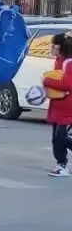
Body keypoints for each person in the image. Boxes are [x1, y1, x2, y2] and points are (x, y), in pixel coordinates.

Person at [43, 33, 72, 177]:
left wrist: (47, 81)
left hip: (68, 109)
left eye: (54, 45)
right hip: (57, 107)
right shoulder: (59, 61)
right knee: (56, 139)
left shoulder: (69, 63)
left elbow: (68, 84)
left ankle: (62, 165)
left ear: (62, 47)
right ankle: (61, 165)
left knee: (63, 138)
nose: (52, 47)